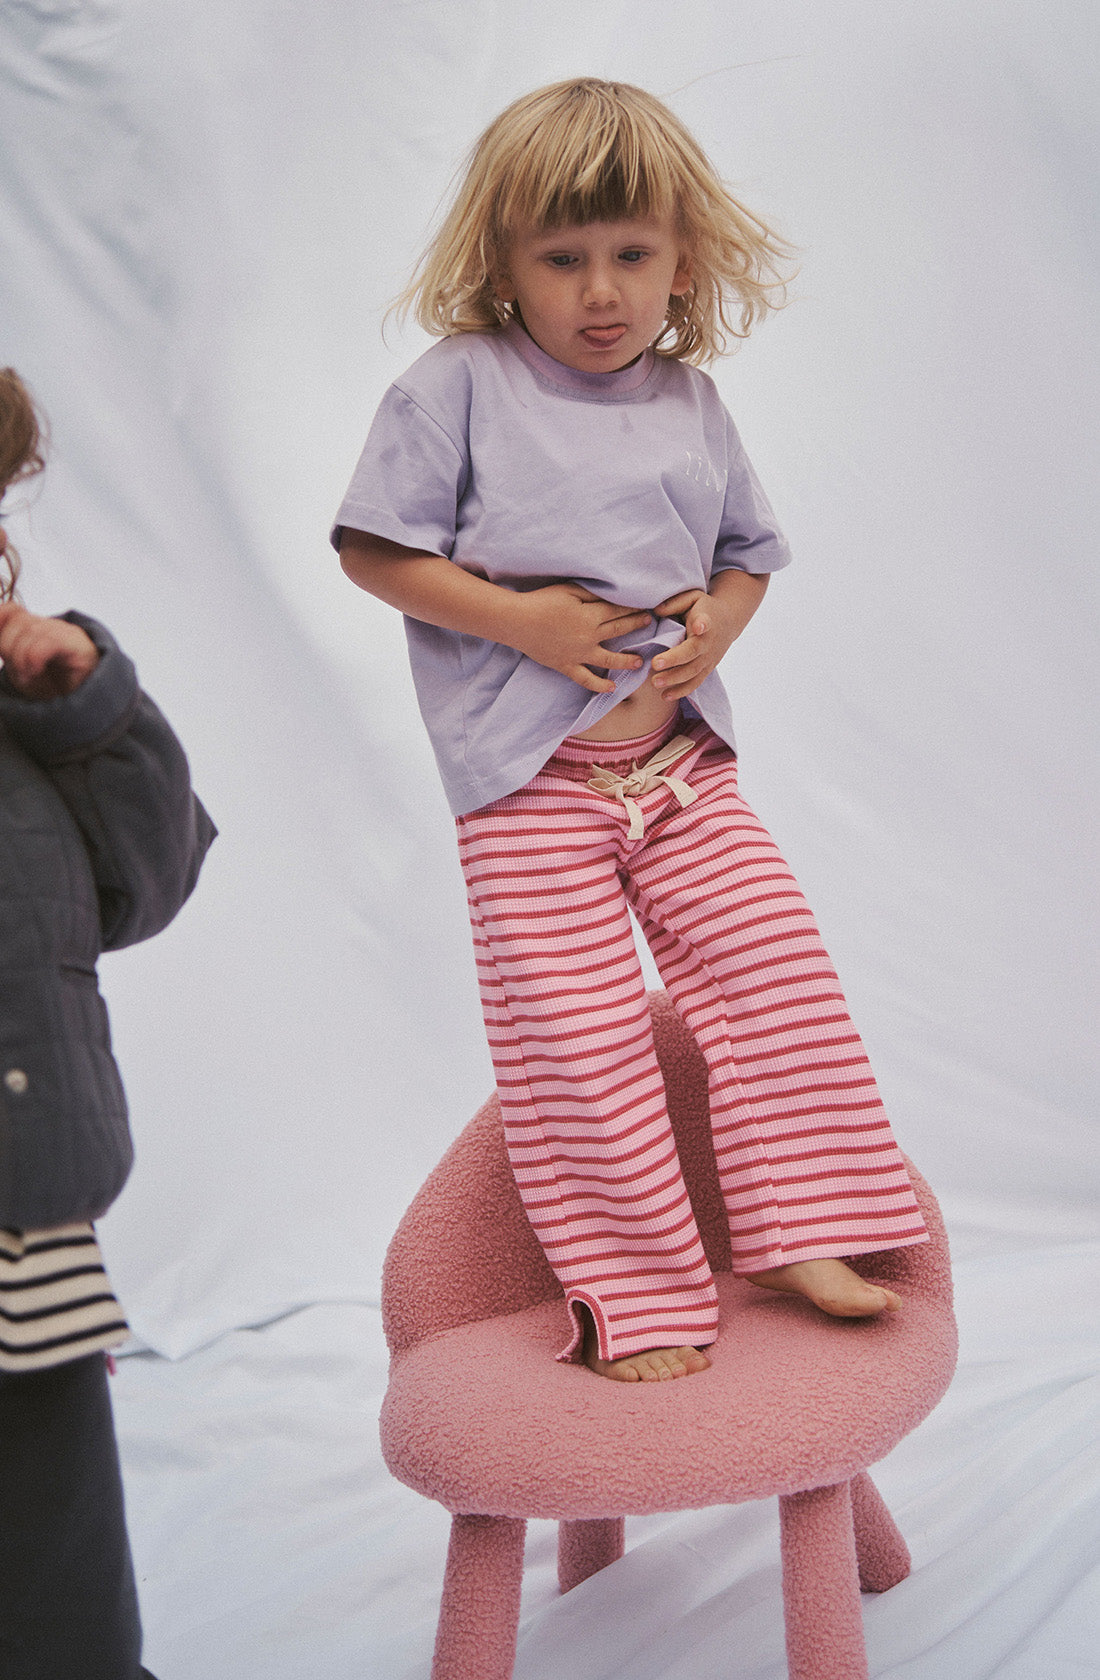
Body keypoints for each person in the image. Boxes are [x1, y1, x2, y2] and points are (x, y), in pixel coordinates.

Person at [334, 78, 928, 1384]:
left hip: (679, 776)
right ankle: (638, 1298)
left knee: (776, 971)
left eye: (631, 257)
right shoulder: (459, 389)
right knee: (580, 1045)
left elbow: (747, 558)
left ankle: (801, 1227)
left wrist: (720, 624)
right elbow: (374, 553)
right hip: (531, 786)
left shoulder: (688, 403)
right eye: (563, 259)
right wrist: (523, 624)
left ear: (681, 259)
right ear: (502, 263)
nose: (601, 292)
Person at [0, 366, 216, 1679]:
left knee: (61, 1557)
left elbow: (146, 886)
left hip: (28, 1200)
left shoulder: (32, 719)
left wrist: (86, 708)